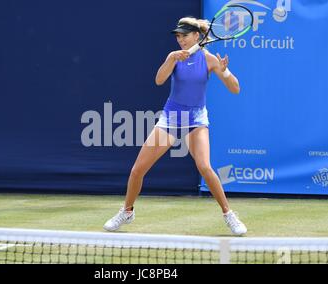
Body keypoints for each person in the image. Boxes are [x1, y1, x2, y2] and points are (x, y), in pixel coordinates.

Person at [103, 17, 247, 235]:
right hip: (171, 118)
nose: (180, 40)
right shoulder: (175, 56)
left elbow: (236, 89)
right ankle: (127, 211)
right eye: (178, 36)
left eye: (185, 35)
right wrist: (171, 59)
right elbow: (159, 80)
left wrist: (225, 71)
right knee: (137, 170)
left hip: (196, 119)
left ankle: (229, 214)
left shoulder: (209, 60)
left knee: (205, 167)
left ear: (197, 36)